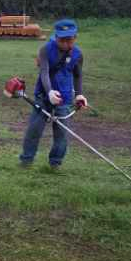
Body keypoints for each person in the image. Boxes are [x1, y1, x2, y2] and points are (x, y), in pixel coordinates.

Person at [20, 19, 88, 169]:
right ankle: (26, 160)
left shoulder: (78, 54)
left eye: (69, 40)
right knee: (34, 130)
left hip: (64, 99)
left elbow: (77, 75)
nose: (65, 43)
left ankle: (55, 163)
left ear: (75, 38)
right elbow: (44, 72)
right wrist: (50, 91)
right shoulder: (45, 50)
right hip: (43, 96)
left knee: (62, 135)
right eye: (61, 39)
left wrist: (79, 94)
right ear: (56, 37)